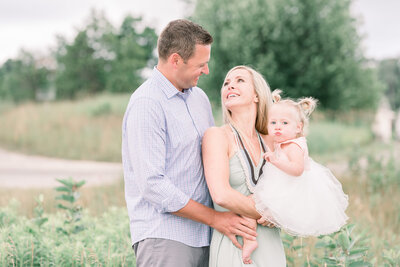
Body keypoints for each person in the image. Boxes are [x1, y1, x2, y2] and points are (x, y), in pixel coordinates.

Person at [121, 20, 257, 267]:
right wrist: (215, 218)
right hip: (165, 238)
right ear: (175, 60)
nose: (206, 71)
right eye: (201, 64)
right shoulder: (147, 103)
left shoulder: (200, 99)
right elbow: (153, 185)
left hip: (207, 236)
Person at [243, 89, 349, 263]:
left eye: (284, 123)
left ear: (298, 127)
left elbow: (297, 169)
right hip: (281, 185)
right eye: (273, 122)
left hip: (291, 189)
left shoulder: (293, 145)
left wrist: (275, 161)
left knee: (250, 204)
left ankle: (250, 240)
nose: (278, 127)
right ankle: (250, 240)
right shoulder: (283, 142)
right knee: (250, 205)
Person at [202, 65, 287, 266]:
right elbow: (221, 195)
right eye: (226, 83)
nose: (230, 86)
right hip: (236, 246)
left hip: (271, 246)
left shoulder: (271, 141)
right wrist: (268, 212)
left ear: (257, 95)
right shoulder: (217, 136)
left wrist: (281, 210)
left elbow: (294, 188)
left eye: (240, 81)